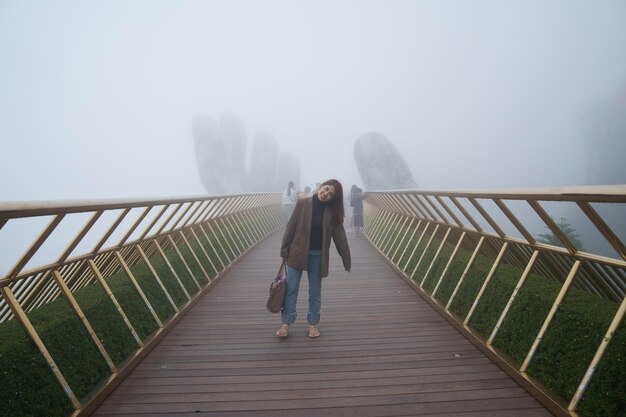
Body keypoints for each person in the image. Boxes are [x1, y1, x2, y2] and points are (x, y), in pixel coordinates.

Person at [277, 179, 351, 338]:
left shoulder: (333, 213)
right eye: (325, 189)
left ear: (333, 198)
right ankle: (286, 323)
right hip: (297, 253)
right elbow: (291, 227)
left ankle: (312, 324)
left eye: (330, 194)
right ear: (321, 187)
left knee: (315, 292)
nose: (326, 194)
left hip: (317, 256)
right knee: (291, 289)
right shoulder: (303, 203)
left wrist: (346, 260)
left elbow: (341, 239)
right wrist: (284, 250)